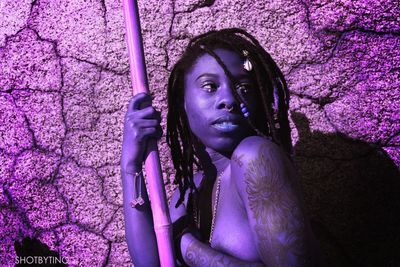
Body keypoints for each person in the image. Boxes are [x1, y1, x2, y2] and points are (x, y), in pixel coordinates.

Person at [121, 28, 323, 266]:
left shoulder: (255, 156)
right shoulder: (188, 192)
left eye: (244, 88)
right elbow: (151, 264)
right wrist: (129, 165)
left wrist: (187, 246)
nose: (229, 99)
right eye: (210, 87)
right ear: (182, 102)